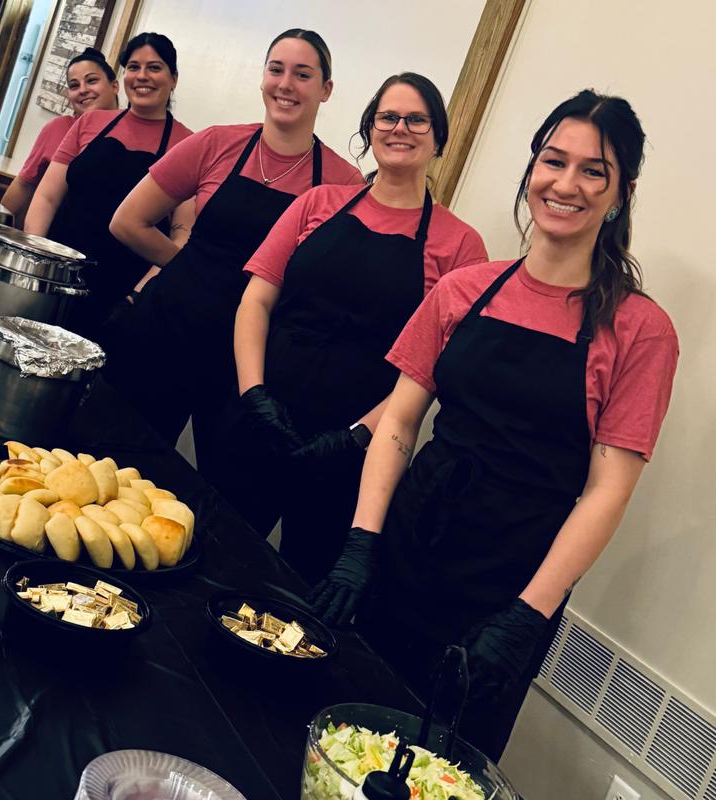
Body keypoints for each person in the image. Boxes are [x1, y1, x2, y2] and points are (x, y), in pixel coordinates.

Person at [310, 89, 679, 761]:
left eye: (593, 171)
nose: (565, 184)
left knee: (438, 769)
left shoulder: (639, 329)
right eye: (553, 161)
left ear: (621, 193)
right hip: (408, 548)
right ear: (532, 168)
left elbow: (607, 492)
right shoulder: (464, 290)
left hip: (509, 586)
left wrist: (526, 615)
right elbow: (399, 424)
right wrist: (362, 542)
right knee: (344, 735)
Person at [212, 73, 486, 582]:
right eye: (388, 117)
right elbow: (256, 301)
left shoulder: (461, 246)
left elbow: (431, 371)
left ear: (438, 137)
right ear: (369, 128)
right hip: (261, 418)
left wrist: (358, 436)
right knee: (211, 558)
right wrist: (253, 393)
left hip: (351, 451)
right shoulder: (317, 203)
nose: (400, 128)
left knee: (300, 591)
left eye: (417, 120)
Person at [106, 28, 363, 464]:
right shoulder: (217, 144)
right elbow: (127, 221)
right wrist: (188, 267)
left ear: (326, 90)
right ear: (263, 78)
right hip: (165, 331)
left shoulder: (344, 184)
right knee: (115, 463)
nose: (285, 84)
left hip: (250, 365)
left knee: (218, 487)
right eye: (276, 70)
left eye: (302, 74)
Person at [24, 32, 193, 337]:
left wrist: (137, 295)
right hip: (57, 273)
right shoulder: (90, 123)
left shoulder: (188, 145)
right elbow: (47, 197)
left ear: (174, 79)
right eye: (133, 67)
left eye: (154, 67)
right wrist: (36, 259)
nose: (142, 76)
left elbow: (181, 237)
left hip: (119, 294)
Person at [1, 48, 120, 227]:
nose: (83, 90)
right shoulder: (57, 128)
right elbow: (24, 184)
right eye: (74, 85)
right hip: (50, 232)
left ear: (114, 86)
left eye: (92, 80)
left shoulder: (130, 131)